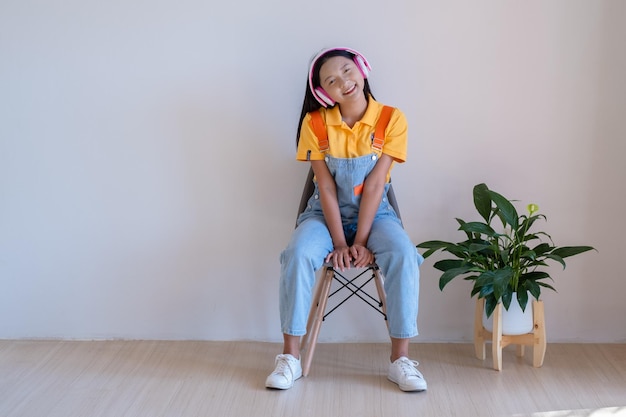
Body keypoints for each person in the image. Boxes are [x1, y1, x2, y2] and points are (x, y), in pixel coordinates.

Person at [265, 47, 426, 392]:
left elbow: (373, 186)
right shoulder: (316, 123)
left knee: (402, 253)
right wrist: (340, 243)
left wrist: (362, 242)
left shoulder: (391, 119)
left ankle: (401, 361)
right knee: (297, 253)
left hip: (377, 214)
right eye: (331, 80)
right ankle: (290, 358)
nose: (343, 82)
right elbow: (323, 185)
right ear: (323, 93)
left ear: (362, 69)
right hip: (324, 216)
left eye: (347, 70)